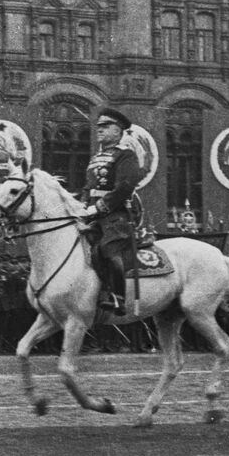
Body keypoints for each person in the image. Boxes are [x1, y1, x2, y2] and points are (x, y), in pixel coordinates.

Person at [80, 108, 141, 314]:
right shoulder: (96, 158)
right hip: (93, 214)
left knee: (109, 248)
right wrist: (82, 206)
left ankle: (117, 296)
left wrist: (99, 206)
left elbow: (125, 186)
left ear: (119, 131)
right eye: (99, 127)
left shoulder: (126, 155)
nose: (100, 130)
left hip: (115, 215)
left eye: (106, 127)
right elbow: (88, 187)